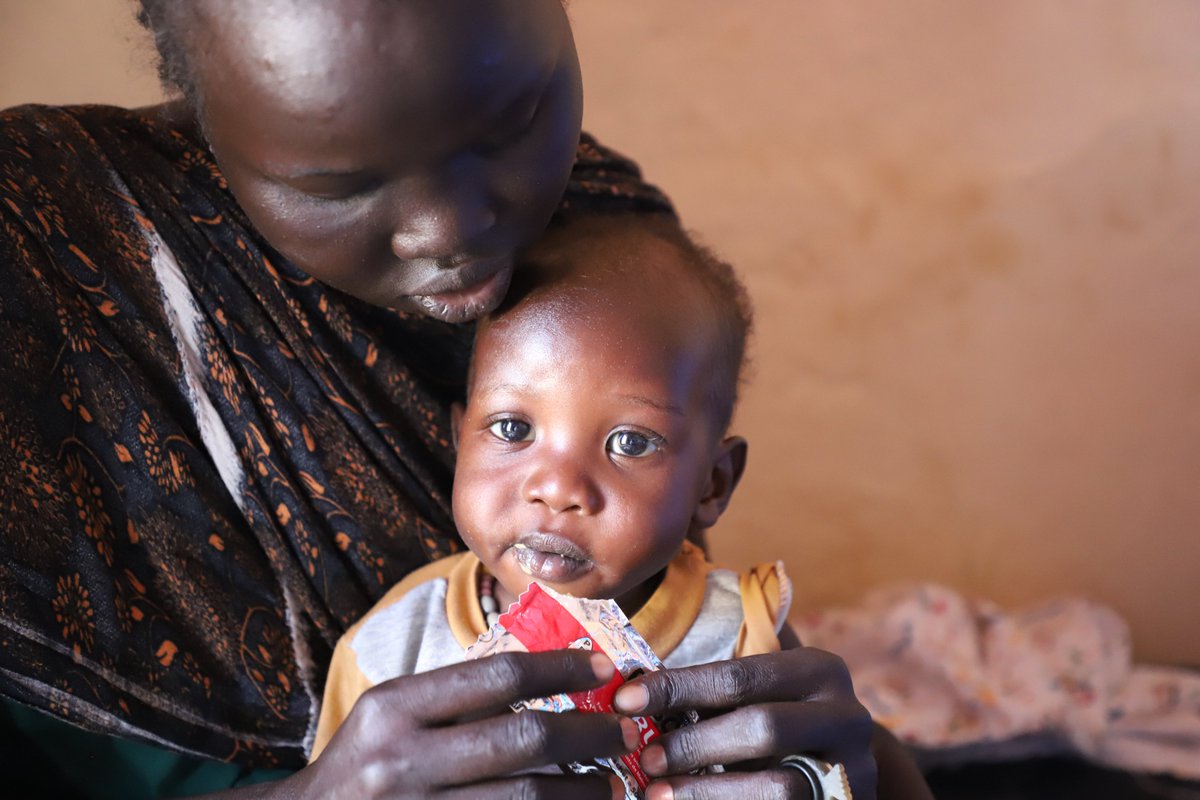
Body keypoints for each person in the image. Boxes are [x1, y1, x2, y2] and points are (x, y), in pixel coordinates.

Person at [0, 0, 930, 797]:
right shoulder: (36, 273)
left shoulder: (607, 243)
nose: (452, 235)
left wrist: (869, 767)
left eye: (511, 121)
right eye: (338, 183)